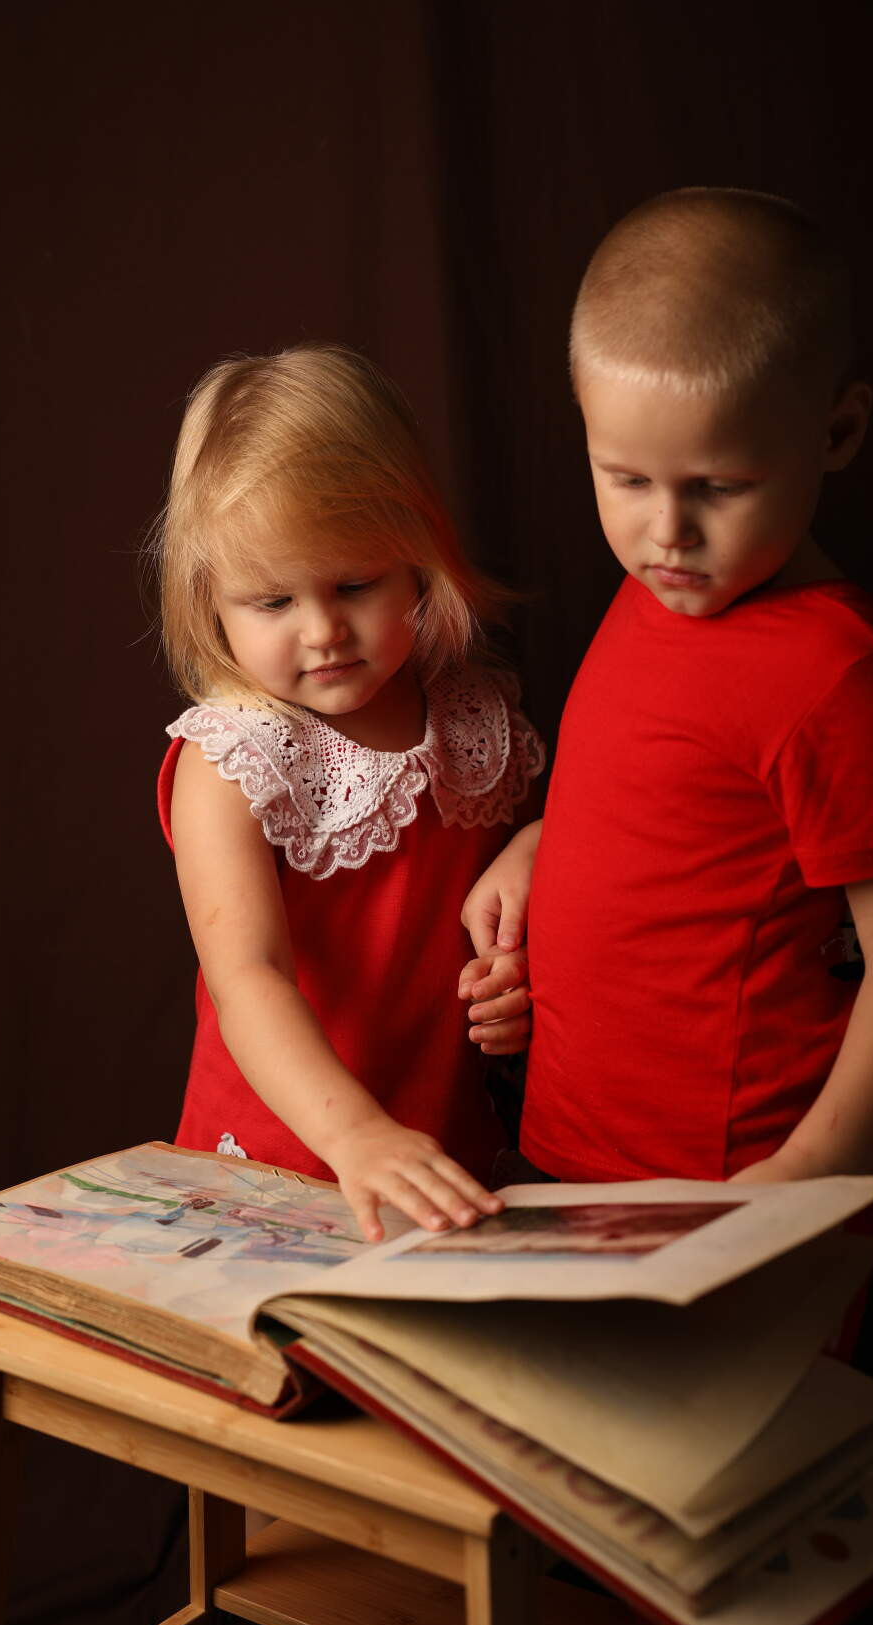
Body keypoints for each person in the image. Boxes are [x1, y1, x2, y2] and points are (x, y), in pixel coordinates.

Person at [461, 188, 873, 1188]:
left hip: (730, 1187)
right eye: (626, 479)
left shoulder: (837, 672)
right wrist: (539, 850)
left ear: (836, 432)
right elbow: (678, 807)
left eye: (718, 488)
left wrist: (814, 1170)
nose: (667, 532)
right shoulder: (655, 588)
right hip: (565, 1149)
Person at [156, 344, 544, 1241]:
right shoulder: (231, 760)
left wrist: (519, 935)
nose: (324, 630)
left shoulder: (473, 719)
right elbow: (248, 976)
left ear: (418, 558)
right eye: (273, 601)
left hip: (439, 1146)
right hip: (282, 1161)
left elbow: (510, 908)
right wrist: (355, 1136)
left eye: (355, 584)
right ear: (211, 600)